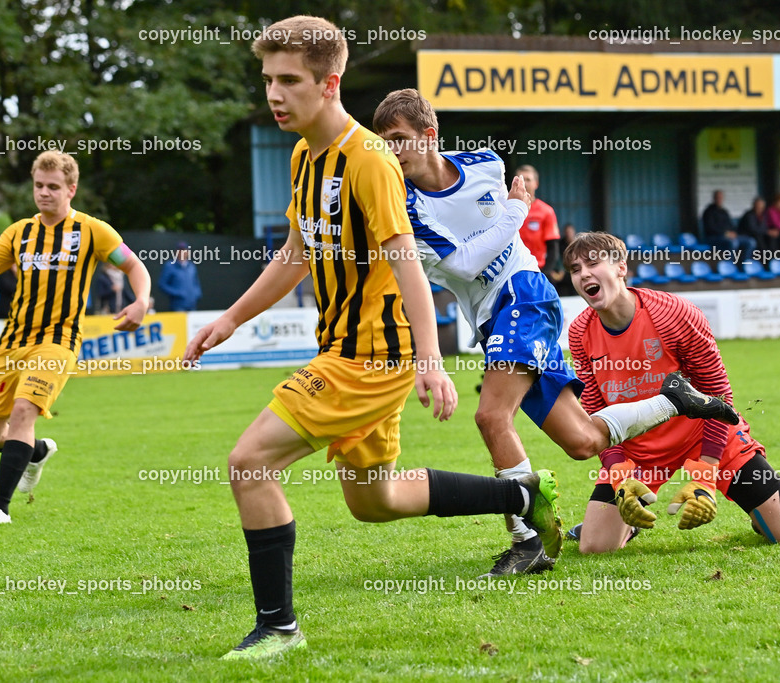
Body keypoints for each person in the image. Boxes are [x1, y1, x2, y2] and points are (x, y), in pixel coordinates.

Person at [184, 15, 564, 661]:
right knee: (377, 502)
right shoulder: (306, 156)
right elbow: (296, 253)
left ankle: (278, 627)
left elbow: (408, 263)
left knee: (249, 464)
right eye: (268, 79)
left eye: (289, 80)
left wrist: (430, 361)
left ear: (329, 83)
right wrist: (231, 318)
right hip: (343, 351)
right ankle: (519, 492)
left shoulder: (369, 161)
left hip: (369, 358)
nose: (274, 94)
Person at [372, 88, 740, 577]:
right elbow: (463, 262)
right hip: (489, 317)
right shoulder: (404, 207)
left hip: (523, 294)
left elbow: (480, 249)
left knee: (490, 416)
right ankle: (674, 399)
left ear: (429, 135)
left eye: (399, 138)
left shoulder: (484, 164)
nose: (391, 151)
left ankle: (528, 541)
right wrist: (514, 214)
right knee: (582, 441)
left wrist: (513, 214)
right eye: (383, 142)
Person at [561, 231, 780, 553]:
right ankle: (621, 525)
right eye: (576, 269)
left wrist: (704, 475)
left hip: (703, 435)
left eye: (593, 263)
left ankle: (768, 517)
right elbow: (594, 410)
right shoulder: (580, 331)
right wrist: (619, 473)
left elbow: (718, 395)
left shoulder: (673, 313)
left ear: (621, 267)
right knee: (594, 548)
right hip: (638, 450)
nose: (584, 274)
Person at [0, 150, 151, 528]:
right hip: (11, 342)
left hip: (58, 341)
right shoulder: (19, 232)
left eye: (53, 187)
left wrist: (140, 300)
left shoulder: (93, 230)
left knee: (24, 412)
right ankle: (36, 452)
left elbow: (133, 264)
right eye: (39, 186)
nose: (44, 193)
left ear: (71, 189)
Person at [514, 165, 563, 283]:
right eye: (521, 179)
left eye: (528, 179)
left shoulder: (546, 211)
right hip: (511, 271)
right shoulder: (506, 208)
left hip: (537, 271)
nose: (524, 183)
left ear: (536, 183)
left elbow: (553, 247)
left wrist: (544, 274)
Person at [702, 189, 754, 260]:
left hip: (728, 236)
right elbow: (710, 228)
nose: (719, 199)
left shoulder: (724, 212)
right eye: (718, 197)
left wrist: (734, 233)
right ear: (714, 198)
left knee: (750, 242)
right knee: (733, 242)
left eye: (721, 198)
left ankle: (745, 264)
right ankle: (729, 265)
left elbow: (731, 226)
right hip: (714, 238)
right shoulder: (708, 212)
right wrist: (725, 233)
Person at [158, 242, 202, 311]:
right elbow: (162, 284)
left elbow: (196, 282)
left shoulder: (191, 266)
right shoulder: (169, 266)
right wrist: (177, 293)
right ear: (176, 252)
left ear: (187, 252)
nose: (182, 252)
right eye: (180, 250)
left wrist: (196, 294)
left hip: (192, 305)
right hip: (177, 306)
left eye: (184, 250)